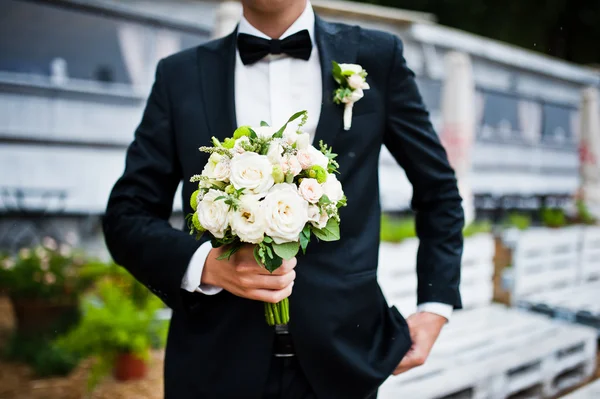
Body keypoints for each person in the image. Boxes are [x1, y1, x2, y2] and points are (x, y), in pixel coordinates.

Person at [102, 0, 464, 397]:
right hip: (215, 364)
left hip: (344, 362)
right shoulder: (180, 75)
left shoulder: (376, 57)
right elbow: (126, 216)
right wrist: (208, 264)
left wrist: (436, 305)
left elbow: (439, 190)